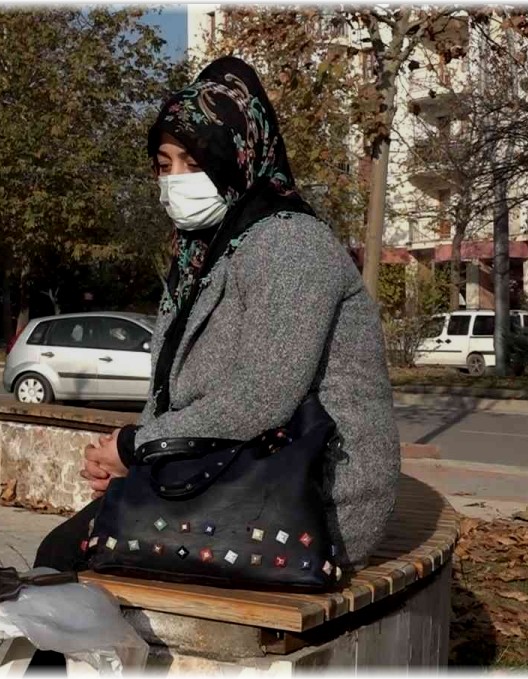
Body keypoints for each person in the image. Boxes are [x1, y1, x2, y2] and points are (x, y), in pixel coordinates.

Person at [30, 57, 400, 667]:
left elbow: (262, 395)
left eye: (194, 162)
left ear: (240, 156)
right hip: (236, 470)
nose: (175, 180)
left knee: (70, 557)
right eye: (164, 164)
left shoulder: (291, 244)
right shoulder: (204, 257)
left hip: (312, 498)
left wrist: (134, 447)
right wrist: (140, 457)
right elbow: (175, 392)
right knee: (67, 554)